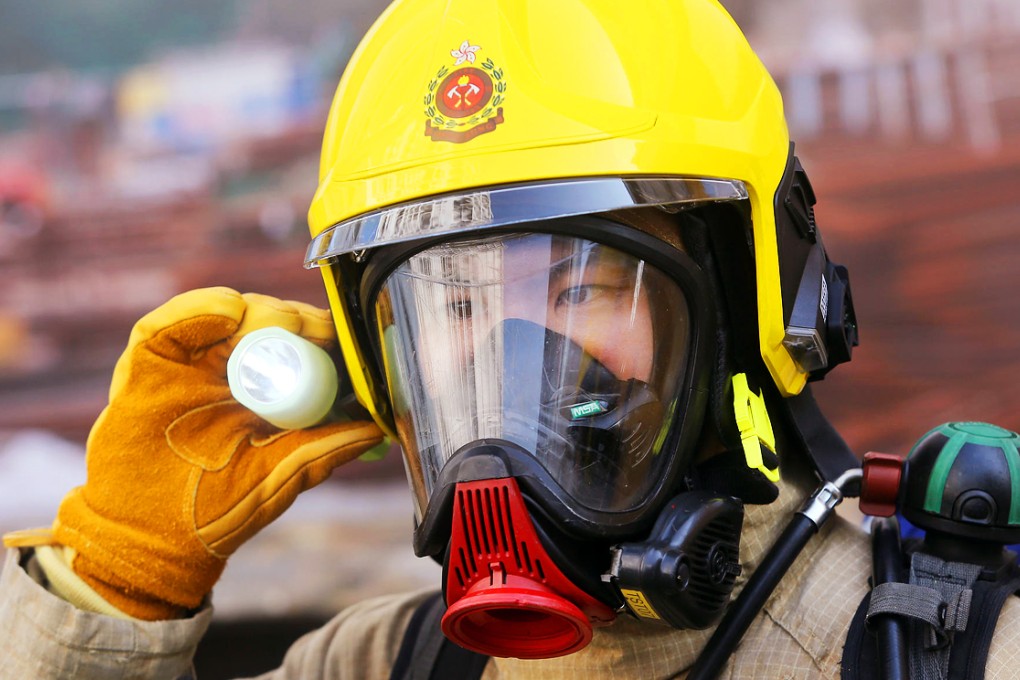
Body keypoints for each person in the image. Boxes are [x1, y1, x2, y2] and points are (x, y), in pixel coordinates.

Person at [2, 0, 1019, 678]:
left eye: (580, 289)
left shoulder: (944, 651)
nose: (509, 363)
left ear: (751, 298)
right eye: (453, 308)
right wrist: (116, 589)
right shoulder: (381, 663)